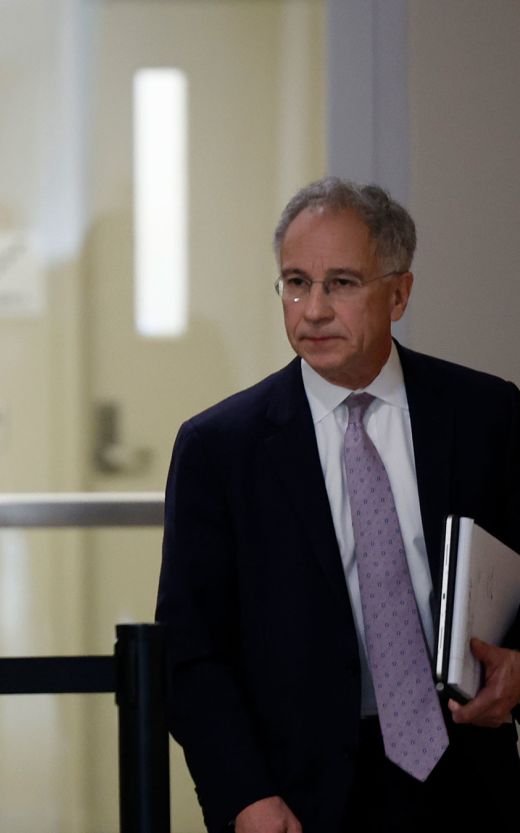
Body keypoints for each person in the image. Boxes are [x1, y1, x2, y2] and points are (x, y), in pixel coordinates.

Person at [156, 177, 520, 833]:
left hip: (468, 778)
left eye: (342, 283)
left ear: (399, 292)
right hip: (298, 795)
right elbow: (192, 651)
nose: (313, 309)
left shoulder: (488, 414)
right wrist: (244, 795)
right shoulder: (219, 447)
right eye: (296, 282)